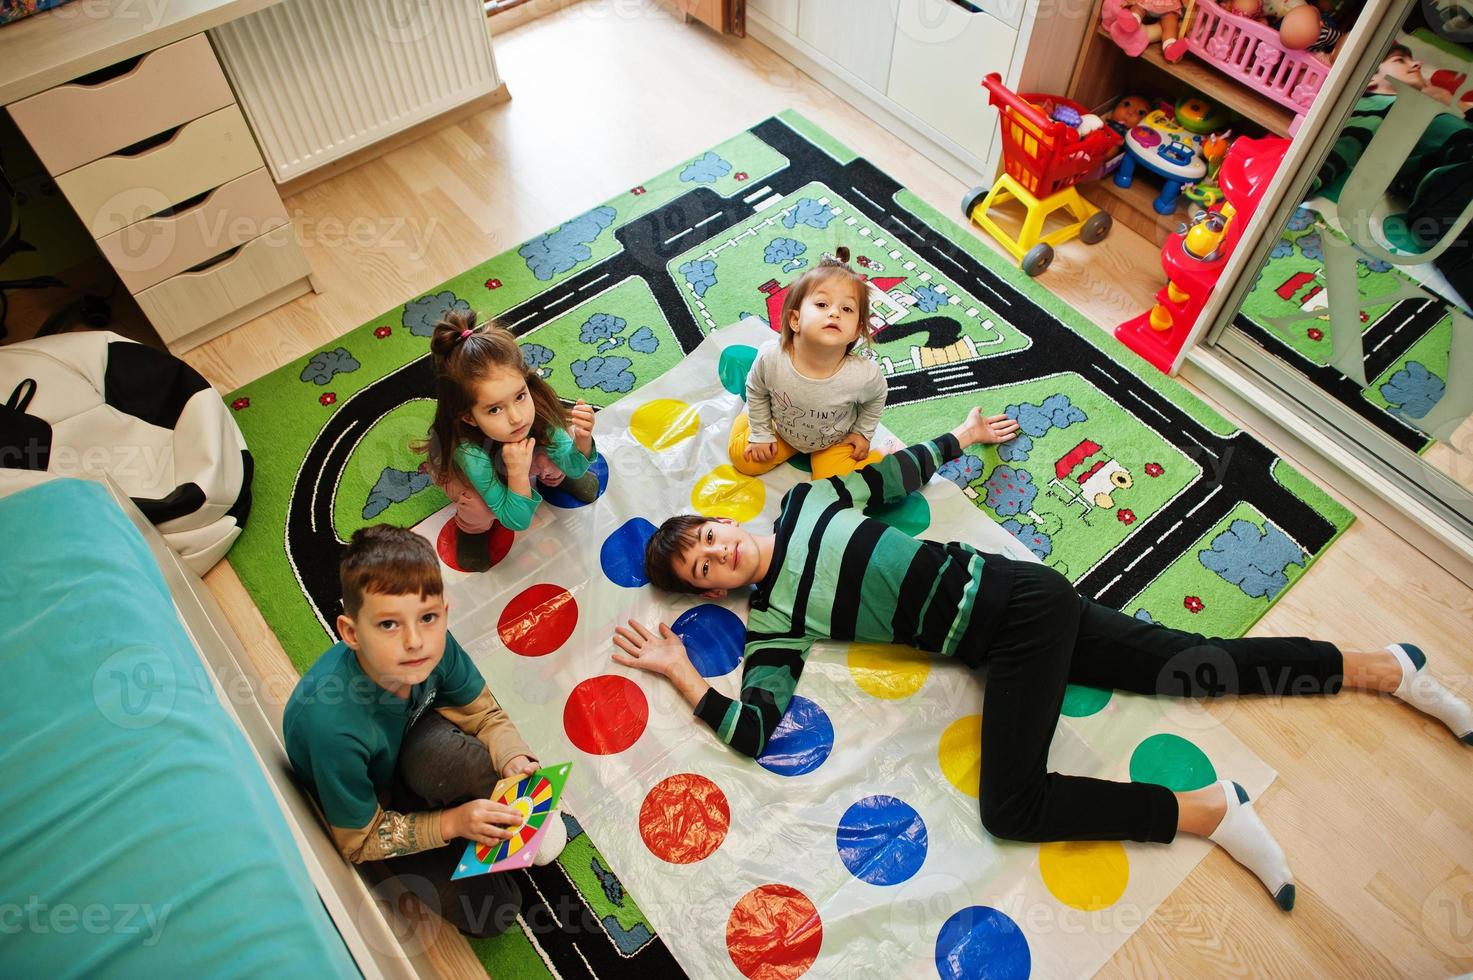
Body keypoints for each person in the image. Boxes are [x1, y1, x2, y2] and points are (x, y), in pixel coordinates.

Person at [614, 409, 1472, 911]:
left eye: (706, 537)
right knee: (1197, 663)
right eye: (698, 569)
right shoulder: (776, 620)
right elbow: (755, 727)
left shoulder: (807, 501)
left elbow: (890, 479)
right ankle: (1383, 668)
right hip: (1007, 636)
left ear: (718, 521)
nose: (714, 553)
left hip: (1021, 603)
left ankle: (1209, 811)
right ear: (712, 593)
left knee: (1013, 805)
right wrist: (684, 672)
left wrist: (957, 436)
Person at [285, 525, 566, 937]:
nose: (415, 641)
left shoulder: (434, 646)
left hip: (412, 740)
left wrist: (513, 757)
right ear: (350, 633)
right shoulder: (332, 728)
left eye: (428, 617)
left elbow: (486, 715)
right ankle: (459, 822)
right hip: (374, 803)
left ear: (444, 613)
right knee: (495, 913)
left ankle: (475, 811)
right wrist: (450, 824)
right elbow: (359, 842)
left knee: (475, 764)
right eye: (388, 625)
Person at [418, 308, 598, 572]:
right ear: (469, 418)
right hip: (476, 477)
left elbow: (574, 462)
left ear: (526, 383)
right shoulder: (468, 453)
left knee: (555, 455)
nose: (517, 418)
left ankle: (557, 480)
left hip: (516, 462)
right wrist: (517, 474)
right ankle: (472, 531)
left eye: (520, 396)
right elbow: (516, 520)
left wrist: (582, 441)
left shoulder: (536, 412)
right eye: (494, 409)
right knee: (478, 506)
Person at [1310, 43, 1472, 305]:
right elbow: (1346, 145)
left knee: (1452, 249)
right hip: (1451, 184)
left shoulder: (1424, 107)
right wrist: (1305, 181)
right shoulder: (1379, 104)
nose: (1416, 64)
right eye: (1400, 60)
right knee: (1452, 247)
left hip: (1454, 182)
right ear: (1370, 78)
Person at [730, 247, 890, 481]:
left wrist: (863, 433)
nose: (835, 313)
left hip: (834, 440)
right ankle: (749, 418)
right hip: (783, 430)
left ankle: (887, 451)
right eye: (822, 305)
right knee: (741, 459)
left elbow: (877, 397)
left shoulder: (863, 374)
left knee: (840, 485)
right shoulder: (771, 356)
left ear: (856, 330)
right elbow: (756, 390)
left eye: (846, 309)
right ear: (795, 319)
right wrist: (761, 433)